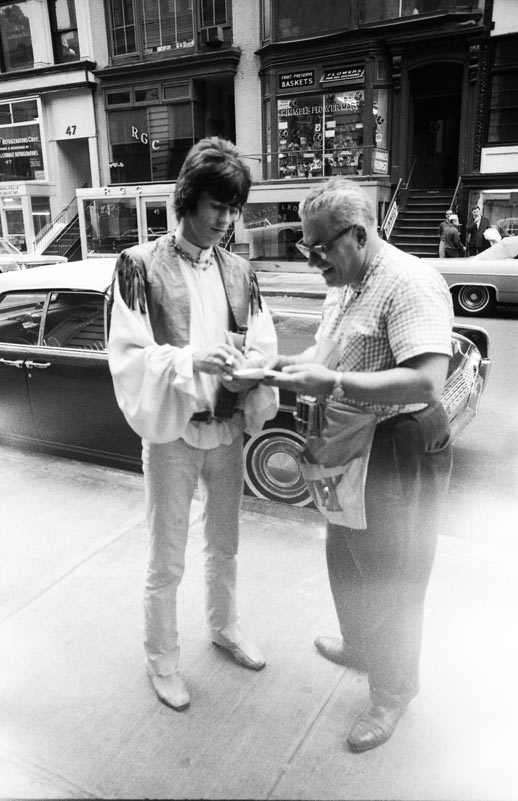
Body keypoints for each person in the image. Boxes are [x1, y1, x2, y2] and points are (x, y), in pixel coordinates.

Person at [264, 178, 453, 753]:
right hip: (351, 437)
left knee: (395, 573)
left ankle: (393, 691)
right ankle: (360, 644)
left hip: (399, 442)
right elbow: (325, 353)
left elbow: (427, 381)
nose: (311, 256)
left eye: (320, 246)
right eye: (305, 244)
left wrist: (337, 382)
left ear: (359, 234)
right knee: (344, 551)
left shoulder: (409, 282)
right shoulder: (345, 282)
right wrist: (281, 366)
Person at [108, 137, 278, 711]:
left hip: (226, 430)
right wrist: (191, 360)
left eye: (233, 209)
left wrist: (246, 374)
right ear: (188, 198)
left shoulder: (240, 269)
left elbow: (263, 343)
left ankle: (224, 626)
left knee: (224, 544)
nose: (225, 221)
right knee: (168, 556)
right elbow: (128, 353)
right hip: (174, 436)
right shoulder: (138, 264)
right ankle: (161, 659)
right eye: (216, 206)